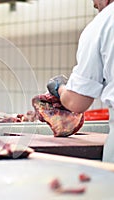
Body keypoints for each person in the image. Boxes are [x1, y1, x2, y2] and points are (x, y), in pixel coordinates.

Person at [47, 0, 114, 162]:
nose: (97, 8)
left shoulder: (103, 22)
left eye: (97, 5)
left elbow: (77, 102)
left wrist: (59, 88)